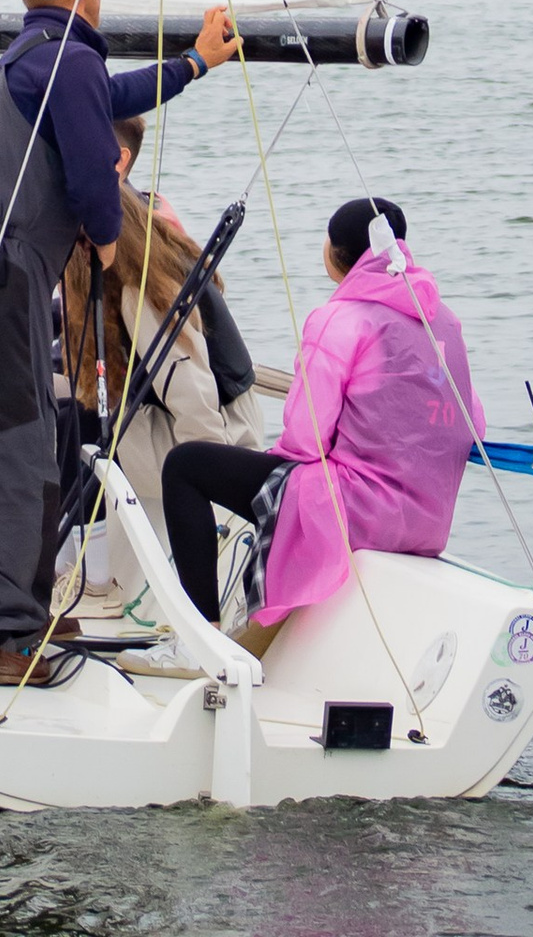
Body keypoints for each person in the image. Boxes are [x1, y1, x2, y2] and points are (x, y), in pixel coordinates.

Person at [0, 0, 240, 689]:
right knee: (19, 447)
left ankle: (7, 613)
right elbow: (95, 173)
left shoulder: (26, 61)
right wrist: (105, 238)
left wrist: (195, 63)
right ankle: (9, 640)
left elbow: (109, 101)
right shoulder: (68, 59)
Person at [159, 196, 477, 642]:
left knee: (186, 466)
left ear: (334, 254)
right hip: (430, 522)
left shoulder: (341, 319)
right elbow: (471, 424)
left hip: (359, 511)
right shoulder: (445, 322)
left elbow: (306, 439)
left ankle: (201, 639)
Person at [61, 123, 264, 524]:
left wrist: (208, 489)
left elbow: (193, 396)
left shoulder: (144, 297)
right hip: (191, 425)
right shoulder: (149, 259)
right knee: (61, 410)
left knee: (70, 429)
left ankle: (75, 548)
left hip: (220, 439)